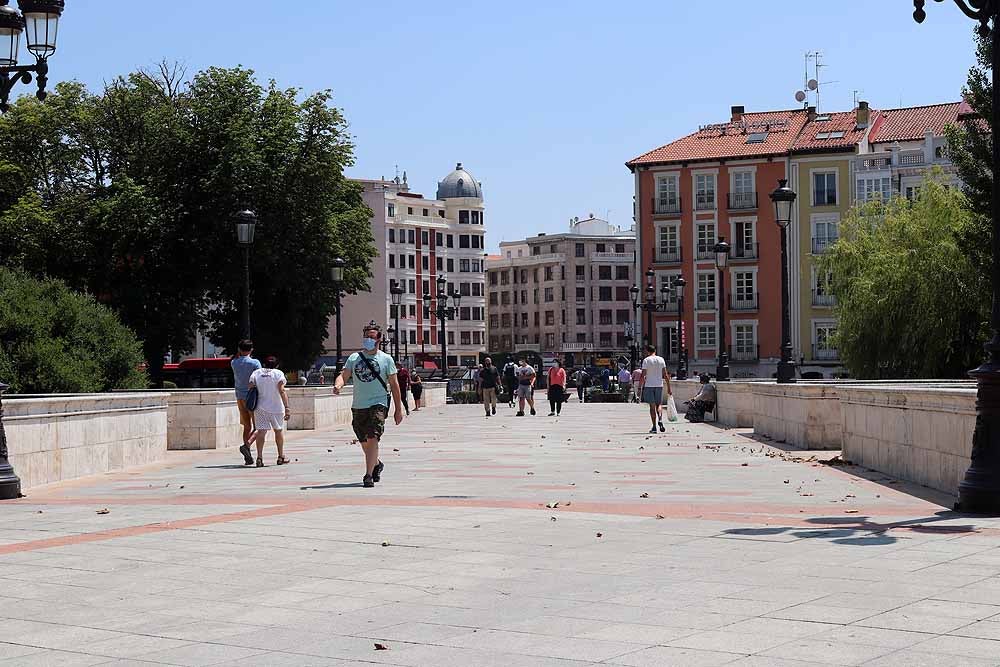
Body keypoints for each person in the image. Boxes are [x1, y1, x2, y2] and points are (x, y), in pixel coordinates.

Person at [334, 323, 404, 487]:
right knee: (364, 440)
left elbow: (394, 385)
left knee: (373, 436)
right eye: (366, 337)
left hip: (378, 403)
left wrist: (398, 410)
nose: (368, 340)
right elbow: (344, 375)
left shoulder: (386, 359)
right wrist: (338, 384)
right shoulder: (354, 358)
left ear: (379, 339)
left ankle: (368, 475)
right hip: (359, 404)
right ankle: (376, 463)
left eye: (372, 337)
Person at [247, 356, 291, 467]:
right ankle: (281, 456)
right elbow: (282, 390)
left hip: (260, 407)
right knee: (278, 431)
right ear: (276, 365)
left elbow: (251, 387)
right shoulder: (278, 373)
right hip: (276, 408)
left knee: (261, 432)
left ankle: (259, 458)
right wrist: (287, 407)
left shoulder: (256, 373)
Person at [231, 339, 262, 466]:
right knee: (258, 426)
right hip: (252, 397)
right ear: (252, 349)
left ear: (239, 349)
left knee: (246, 426)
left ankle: (247, 456)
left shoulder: (234, 362)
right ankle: (246, 446)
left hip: (239, 396)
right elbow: (259, 378)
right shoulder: (255, 363)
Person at [639, 344, 672, 434]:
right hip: (659, 385)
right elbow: (665, 375)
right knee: (659, 405)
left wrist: (639, 387)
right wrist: (669, 387)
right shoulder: (661, 359)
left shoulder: (646, 360)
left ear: (647, 351)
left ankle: (654, 427)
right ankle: (660, 419)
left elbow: (643, 375)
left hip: (649, 385)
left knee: (652, 407)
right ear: (655, 351)